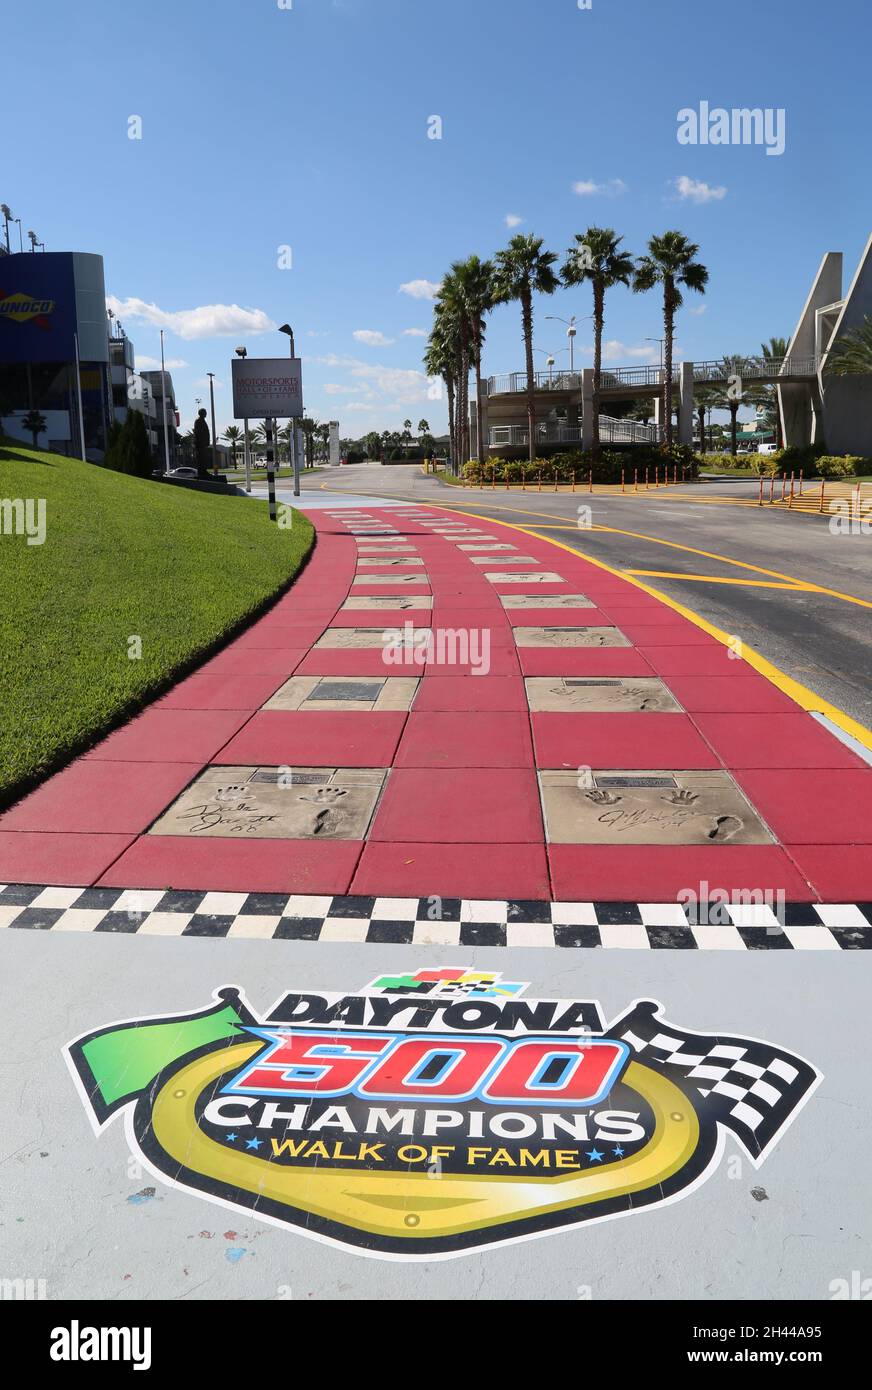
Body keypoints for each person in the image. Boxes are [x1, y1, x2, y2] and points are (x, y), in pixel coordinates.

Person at [193, 408, 211, 478]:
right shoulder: (198, 421)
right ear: (201, 413)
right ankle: (201, 471)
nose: (206, 414)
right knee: (201, 458)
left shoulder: (202, 420)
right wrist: (200, 442)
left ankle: (204, 471)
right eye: (205, 412)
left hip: (203, 443)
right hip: (200, 443)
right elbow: (197, 432)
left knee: (204, 458)